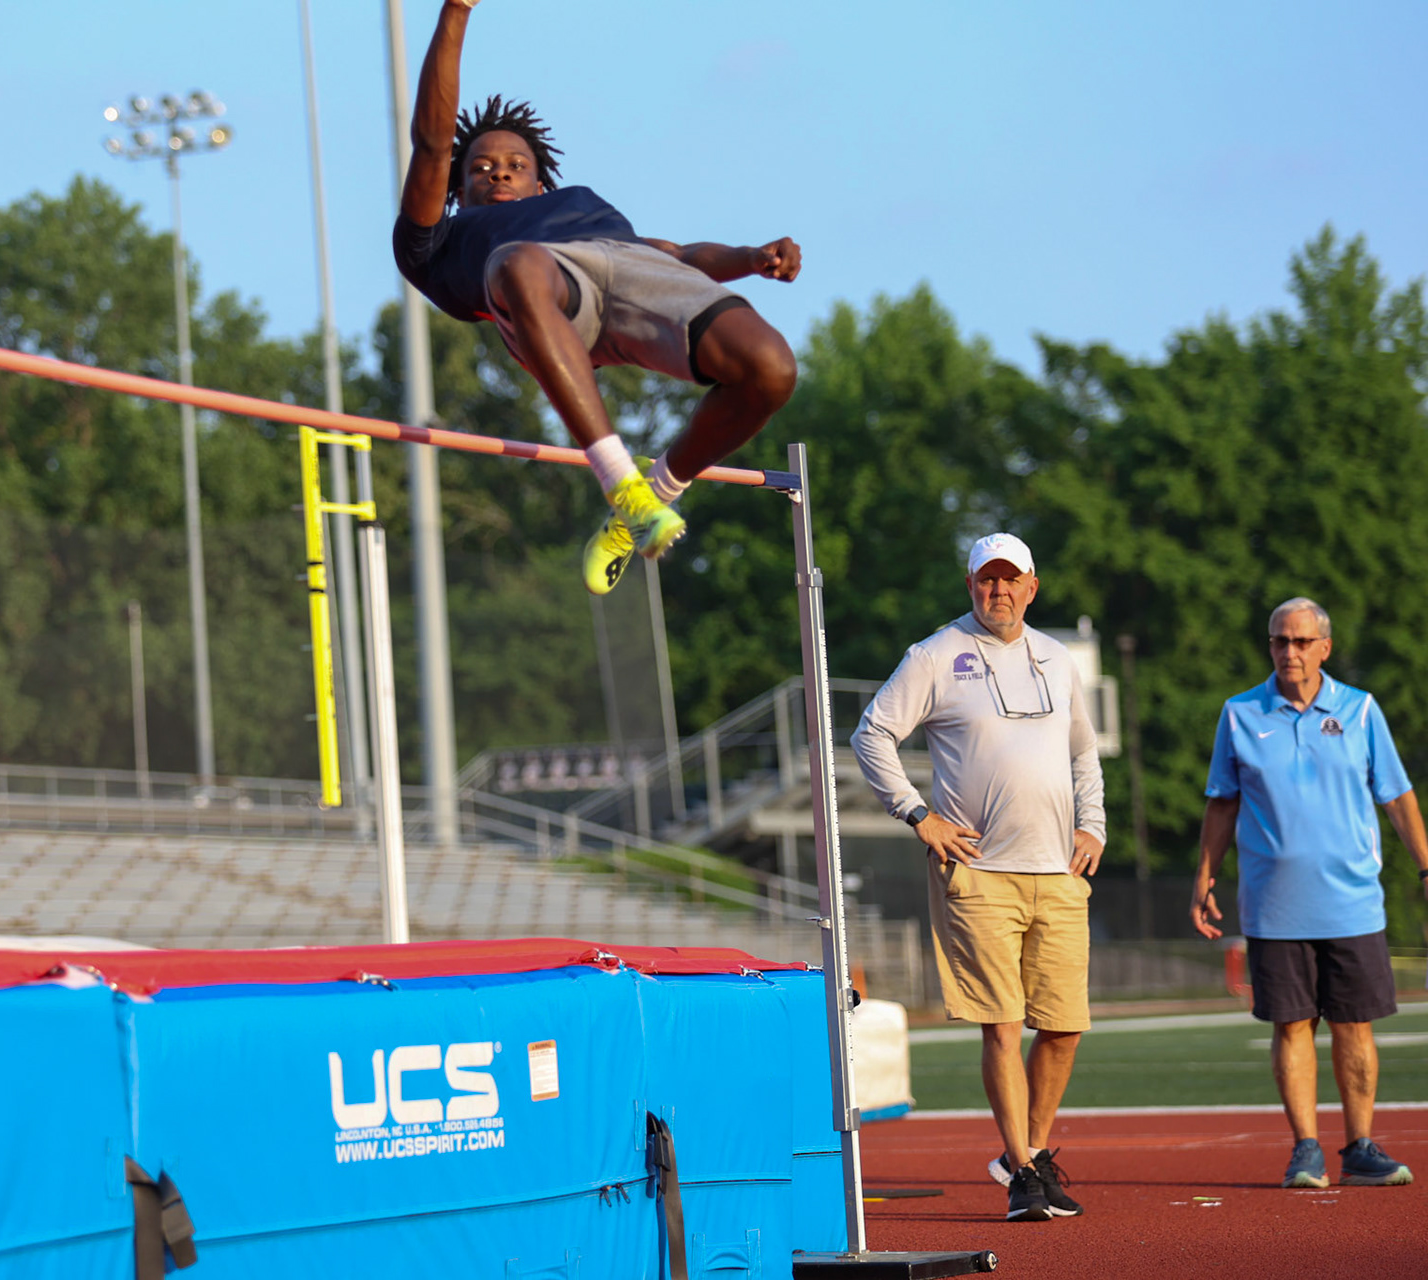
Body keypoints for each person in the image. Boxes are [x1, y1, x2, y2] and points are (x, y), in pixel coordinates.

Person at [393, 0, 803, 596]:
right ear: (456, 189)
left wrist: (752, 258)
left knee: (771, 370)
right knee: (517, 262)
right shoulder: (436, 240)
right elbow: (431, 143)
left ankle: (651, 496)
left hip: (628, 266)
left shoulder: (583, 205)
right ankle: (620, 481)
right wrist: (456, 11)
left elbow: (680, 256)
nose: (498, 174)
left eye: (515, 165)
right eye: (480, 168)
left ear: (541, 183)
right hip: (549, 290)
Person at [850, 533, 1105, 1223]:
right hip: (979, 871)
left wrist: (1095, 825)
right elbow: (871, 733)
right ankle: (1022, 1169)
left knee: (1064, 1027)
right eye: (985, 581)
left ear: (1032, 586)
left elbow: (1084, 753)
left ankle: (1031, 1150)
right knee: (1004, 1023)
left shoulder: (1055, 657)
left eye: (1009, 580)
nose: (997, 591)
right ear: (970, 587)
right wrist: (917, 814)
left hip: (1057, 868)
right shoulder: (935, 656)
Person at [1192, 596, 1427, 1190]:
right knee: (1292, 1025)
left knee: (1355, 1025)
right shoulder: (1241, 713)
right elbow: (1222, 802)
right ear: (1269, 646)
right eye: (1279, 641)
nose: (1289, 652)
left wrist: (1427, 867)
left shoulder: (1361, 709)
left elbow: (1397, 797)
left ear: (1325, 646)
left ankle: (1362, 1146)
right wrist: (1204, 876)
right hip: (1274, 905)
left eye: (1300, 642)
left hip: (1351, 901)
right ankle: (1305, 1150)